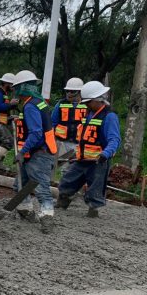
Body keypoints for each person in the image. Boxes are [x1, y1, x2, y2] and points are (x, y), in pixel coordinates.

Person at [57, 81, 120, 218]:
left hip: (98, 161)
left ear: (98, 100)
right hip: (82, 158)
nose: (85, 104)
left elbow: (114, 139)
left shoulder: (109, 116)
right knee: (67, 181)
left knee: (95, 189)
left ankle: (93, 212)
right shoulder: (89, 113)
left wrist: (105, 153)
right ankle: (62, 203)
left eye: (88, 102)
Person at [11, 70, 58, 234]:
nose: (14, 91)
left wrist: (22, 152)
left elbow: (36, 132)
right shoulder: (38, 102)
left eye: (16, 88)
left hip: (38, 153)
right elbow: (36, 123)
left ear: (22, 88)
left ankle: (47, 218)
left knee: (40, 187)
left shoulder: (30, 105)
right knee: (20, 184)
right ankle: (26, 212)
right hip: (38, 150)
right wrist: (19, 120)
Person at [51, 77, 87, 162]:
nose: (69, 94)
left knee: (77, 168)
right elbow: (52, 122)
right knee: (64, 168)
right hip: (62, 142)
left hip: (80, 143)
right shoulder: (60, 104)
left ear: (80, 92)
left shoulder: (87, 105)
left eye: (72, 91)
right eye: (67, 91)